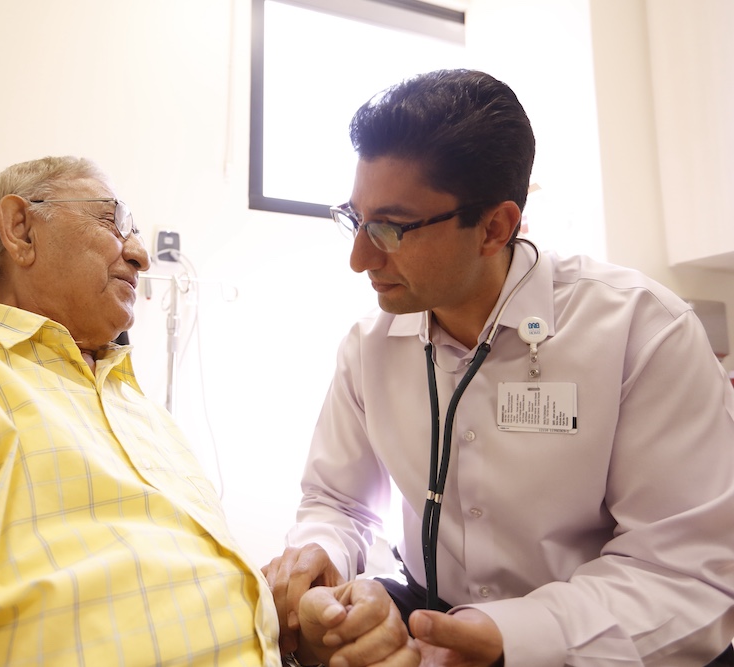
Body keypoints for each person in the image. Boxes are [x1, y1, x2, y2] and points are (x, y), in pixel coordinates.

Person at [0, 156, 410, 667]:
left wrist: (303, 625)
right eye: (116, 221)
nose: (143, 255)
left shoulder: (143, 415)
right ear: (20, 227)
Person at [264, 69, 734, 666]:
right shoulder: (369, 346)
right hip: (431, 612)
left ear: (495, 228)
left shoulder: (641, 331)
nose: (359, 259)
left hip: (601, 635)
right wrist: (319, 549)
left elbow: (686, 570)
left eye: (390, 228)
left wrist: (511, 637)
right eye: (355, 220)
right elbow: (337, 499)